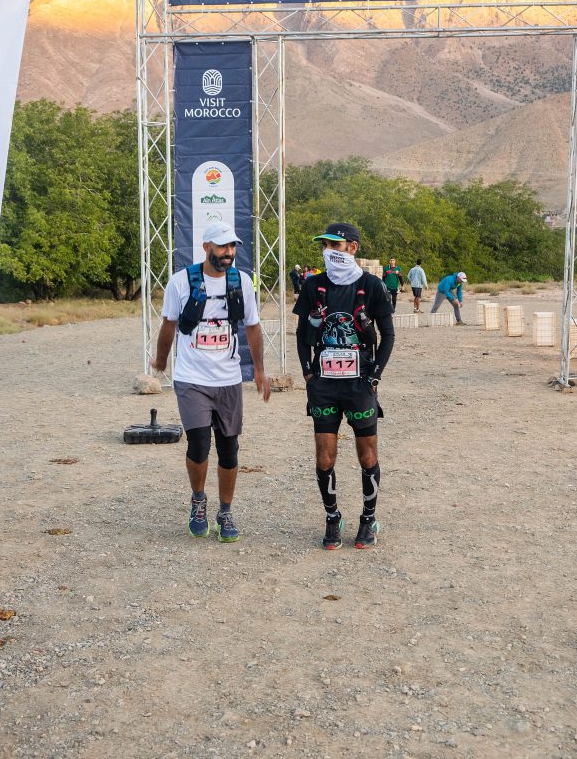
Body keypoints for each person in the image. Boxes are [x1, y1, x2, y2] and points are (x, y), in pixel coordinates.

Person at [152, 220, 271, 543]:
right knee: (199, 444)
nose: (228, 252)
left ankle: (225, 511)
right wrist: (161, 359)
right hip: (192, 378)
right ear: (206, 247)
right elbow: (169, 324)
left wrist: (259, 369)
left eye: (232, 246)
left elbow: (252, 327)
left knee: (229, 449)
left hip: (229, 379)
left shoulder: (241, 282)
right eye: (222, 246)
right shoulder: (181, 282)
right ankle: (198, 501)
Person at [293, 222, 395, 550]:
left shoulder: (372, 285)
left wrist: (375, 375)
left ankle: (368, 519)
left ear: (353, 247)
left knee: (367, 455)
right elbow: (301, 333)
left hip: (360, 384)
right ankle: (332, 518)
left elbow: (388, 334)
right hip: (324, 385)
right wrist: (307, 374)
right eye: (324, 246)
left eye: (334, 245)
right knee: (325, 458)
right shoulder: (314, 285)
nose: (328, 251)